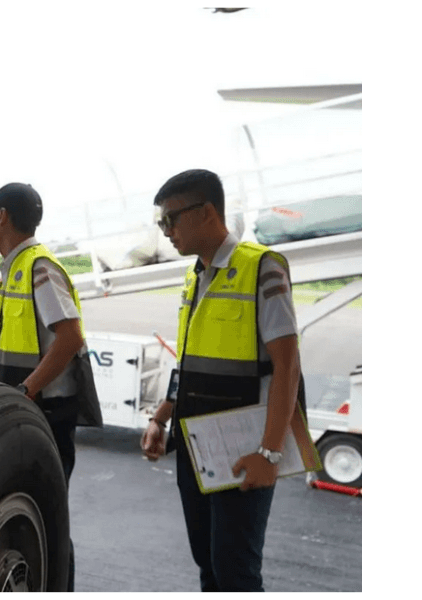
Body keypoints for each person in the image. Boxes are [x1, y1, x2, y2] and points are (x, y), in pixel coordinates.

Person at [140, 169, 302, 592]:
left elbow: (287, 365)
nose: (166, 231)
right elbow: (190, 361)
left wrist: (269, 453)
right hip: (197, 449)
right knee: (209, 566)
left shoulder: (263, 268)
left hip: (243, 450)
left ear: (206, 212)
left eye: (170, 220)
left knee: (236, 572)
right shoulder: (194, 276)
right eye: (162, 223)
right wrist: (161, 417)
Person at [0, 182, 85, 592]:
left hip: (42, 416)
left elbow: (70, 337)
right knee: (19, 509)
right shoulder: (11, 267)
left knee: (49, 514)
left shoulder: (39, 267)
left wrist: (26, 391)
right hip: (19, 413)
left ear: (2, 216)